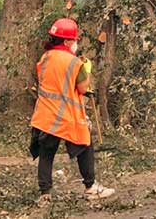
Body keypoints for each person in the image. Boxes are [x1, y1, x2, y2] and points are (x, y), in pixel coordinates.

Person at [29, 18, 114, 203]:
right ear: (67, 41)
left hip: (45, 114)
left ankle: (45, 194)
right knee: (84, 146)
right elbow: (83, 88)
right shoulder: (75, 62)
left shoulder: (44, 58)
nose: (76, 43)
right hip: (67, 115)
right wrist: (87, 69)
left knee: (46, 154)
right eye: (74, 40)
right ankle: (91, 187)